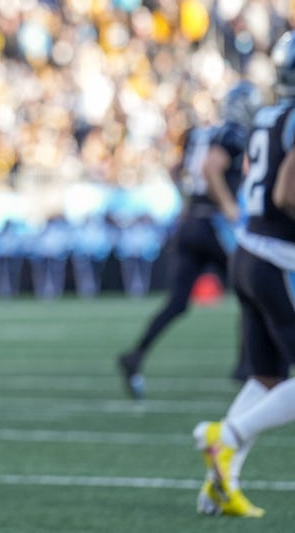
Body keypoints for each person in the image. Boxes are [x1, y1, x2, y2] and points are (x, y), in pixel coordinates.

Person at [192, 34, 295, 518]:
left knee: (267, 376)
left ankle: (218, 486)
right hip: (279, 258)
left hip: (249, 254)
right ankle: (226, 438)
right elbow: (287, 194)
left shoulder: (271, 115)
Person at [117, 80, 260, 399]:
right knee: (252, 290)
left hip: (192, 222)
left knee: (178, 302)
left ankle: (136, 355)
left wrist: (187, 204)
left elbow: (180, 170)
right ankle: (245, 368)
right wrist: (227, 206)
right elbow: (211, 168)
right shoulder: (232, 134)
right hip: (214, 226)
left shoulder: (201, 133)